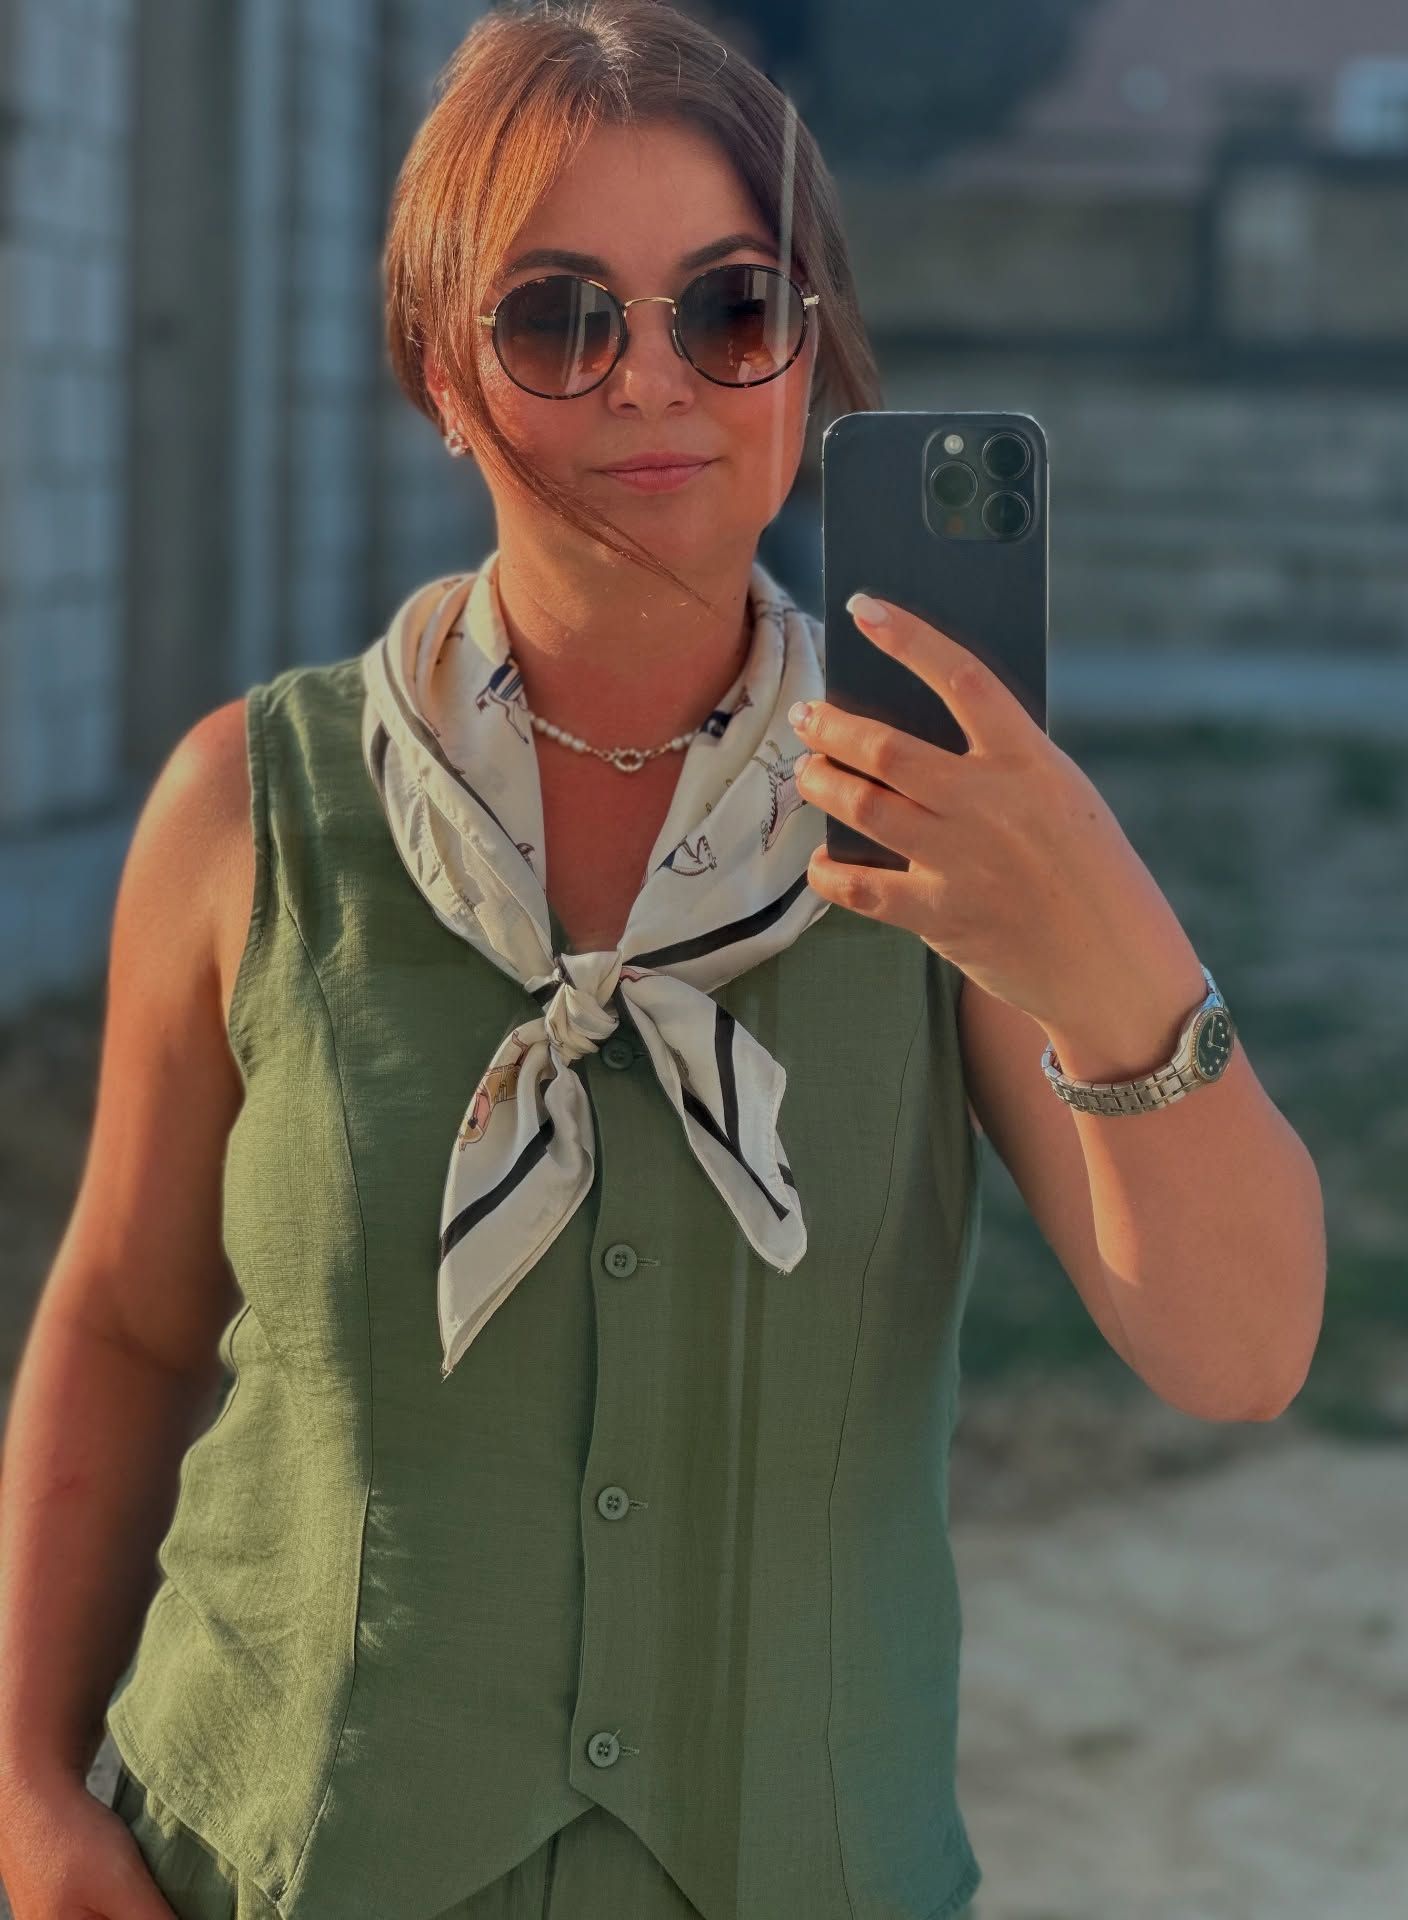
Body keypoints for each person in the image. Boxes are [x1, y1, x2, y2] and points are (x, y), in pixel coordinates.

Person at [0, 4, 988, 1916]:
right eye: (556, 319)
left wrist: (1086, 897)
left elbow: (1236, 1346)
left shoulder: (949, 830)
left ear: (811, 352)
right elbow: (123, 1317)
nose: (651, 382)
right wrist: (24, 1783)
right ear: (441, 373)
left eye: (729, 308)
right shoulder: (244, 808)